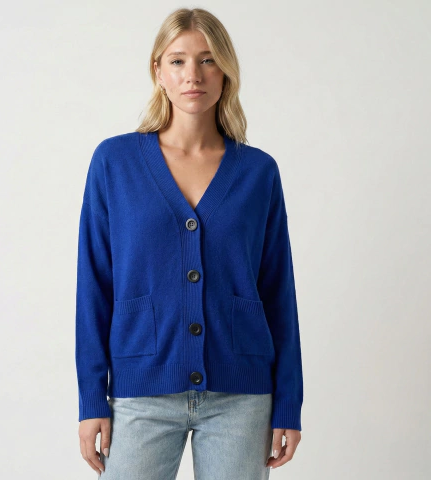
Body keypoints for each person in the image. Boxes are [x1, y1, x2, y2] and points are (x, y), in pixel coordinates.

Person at [75, 7, 303, 479]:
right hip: (141, 390)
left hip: (241, 397)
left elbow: (278, 291)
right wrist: (91, 398)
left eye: (208, 60)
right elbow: (94, 284)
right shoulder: (115, 162)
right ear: (158, 71)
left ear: (226, 72)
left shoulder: (258, 172)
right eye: (177, 61)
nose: (192, 75)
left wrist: (288, 402)